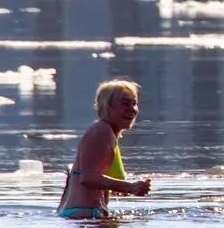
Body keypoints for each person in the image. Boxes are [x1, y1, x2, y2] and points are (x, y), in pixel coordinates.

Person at [57, 79, 153, 218]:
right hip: (86, 215)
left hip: (84, 214)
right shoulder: (101, 131)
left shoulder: (108, 132)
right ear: (107, 106)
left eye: (134, 103)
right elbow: (88, 178)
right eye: (125, 104)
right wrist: (130, 187)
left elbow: (92, 179)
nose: (132, 109)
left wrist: (134, 186)